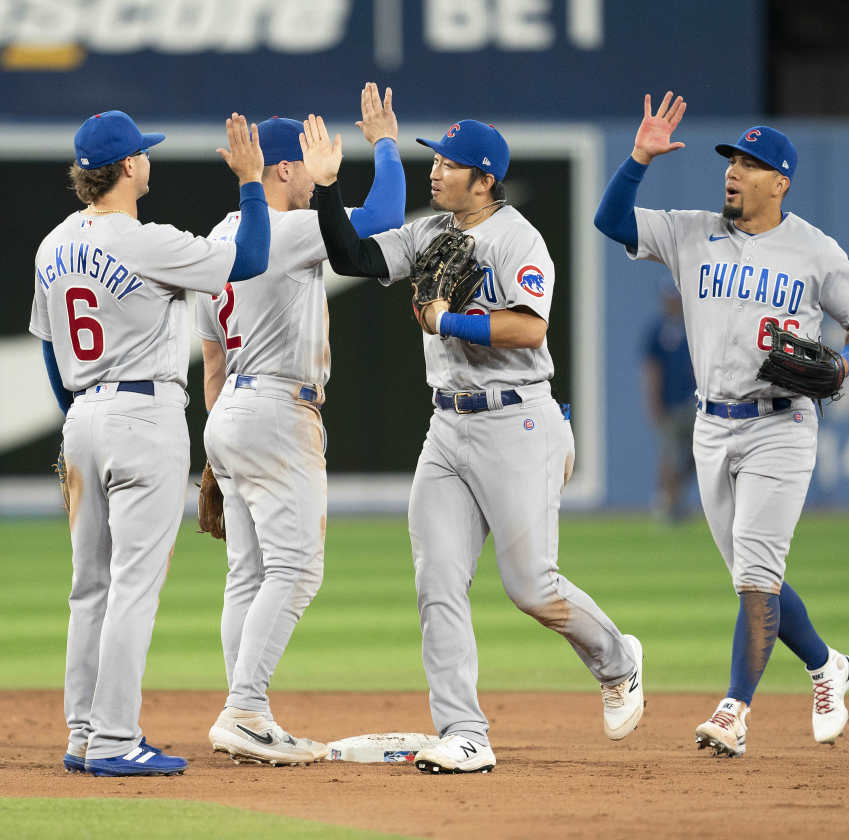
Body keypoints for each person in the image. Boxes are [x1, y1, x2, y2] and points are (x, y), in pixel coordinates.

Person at [299, 114, 645, 774]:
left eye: (449, 164)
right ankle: (465, 731)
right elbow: (356, 257)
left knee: (531, 587)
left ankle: (619, 660)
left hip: (518, 423)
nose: (435, 170)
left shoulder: (519, 240)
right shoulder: (432, 231)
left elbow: (528, 331)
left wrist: (447, 318)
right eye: (433, 159)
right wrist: (325, 190)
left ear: (484, 181)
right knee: (437, 582)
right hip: (447, 427)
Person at [594, 92, 849, 757]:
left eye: (750, 164)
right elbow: (611, 221)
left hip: (781, 426)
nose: (733, 171)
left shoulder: (814, 250)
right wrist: (639, 158)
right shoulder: (692, 231)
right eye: (731, 160)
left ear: (779, 182)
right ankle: (827, 666)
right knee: (759, 580)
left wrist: (847, 363)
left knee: (756, 575)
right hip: (710, 427)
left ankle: (733, 711)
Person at [29, 109, 270, 776]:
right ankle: (113, 739)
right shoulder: (145, 240)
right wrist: (252, 182)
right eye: (144, 153)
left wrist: (78, 421)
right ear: (129, 167)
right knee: (134, 588)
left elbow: (52, 355)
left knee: (90, 591)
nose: (148, 160)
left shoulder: (52, 245)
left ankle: (83, 733)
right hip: (144, 415)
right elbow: (248, 259)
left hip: (83, 420)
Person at [195, 83, 406, 766]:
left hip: (230, 412)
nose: (316, 165)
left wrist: (213, 454)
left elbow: (212, 359)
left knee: (247, 577)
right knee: (296, 570)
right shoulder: (288, 229)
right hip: (279, 410)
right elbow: (384, 215)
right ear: (284, 168)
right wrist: (384, 142)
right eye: (307, 159)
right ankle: (246, 710)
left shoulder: (218, 238)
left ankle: (245, 710)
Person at [642, 282, 697, 522]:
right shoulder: (658, 331)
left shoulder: (695, 327)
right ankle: (667, 502)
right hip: (671, 404)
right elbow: (652, 370)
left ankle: (674, 497)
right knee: (671, 456)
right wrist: (653, 403)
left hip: (696, 403)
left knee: (699, 456)